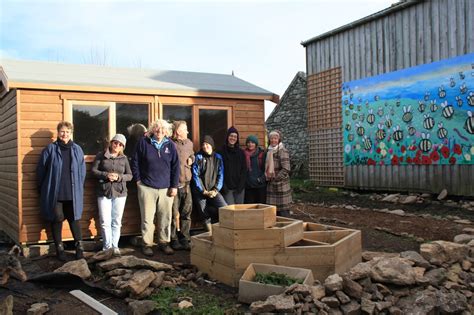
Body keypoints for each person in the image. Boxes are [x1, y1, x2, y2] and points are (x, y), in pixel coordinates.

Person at [36, 121, 86, 261]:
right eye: (62, 131)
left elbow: (82, 172)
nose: (65, 134)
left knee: (74, 218)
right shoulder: (50, 149)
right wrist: (42, 188)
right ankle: (59, 249)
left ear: (71, 133)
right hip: (55, 192)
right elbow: (41, 170)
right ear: (58, 132)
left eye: (68, 132)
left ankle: (79, 247)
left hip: (72, 192)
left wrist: (79, 188)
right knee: (57, 218)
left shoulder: (77, 149)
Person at [131, 119, 180, 256]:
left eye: (163, 129)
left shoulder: (170, 145)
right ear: (153, 129)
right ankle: (147, 244)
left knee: (165, 217)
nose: (160, 131)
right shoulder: (143, 142)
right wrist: (138, 180)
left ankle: (164, 243)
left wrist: (174, 186)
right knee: (147, 218)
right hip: (146, 187)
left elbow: (176, 167)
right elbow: (135, 161)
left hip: (166, 188)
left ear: (166, 131)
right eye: (157, 128)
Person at [91, 134, 133, 256]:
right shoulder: (101, 155)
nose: (117, 146)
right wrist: (106, 175)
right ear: (111, 143)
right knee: (105, 221)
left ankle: (115, 247)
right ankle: (107, 247)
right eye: (115, 143)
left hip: (120, 192)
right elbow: (94, 171)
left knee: (116, 221)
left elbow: (129, 175)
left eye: (120, 144)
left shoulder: (124, 158)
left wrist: (119, 177)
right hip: (104, 191)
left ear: (123, 147)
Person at [192, 135, 227, 233]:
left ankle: (223, 231)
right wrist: (203, 191)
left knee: (224, 208)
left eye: (207, 144)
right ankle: (210, 234)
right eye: (203, 144)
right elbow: (196, 176)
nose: (205, 146)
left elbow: (221, 174)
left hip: (214, 190)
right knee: (204, 213)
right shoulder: (198, 157)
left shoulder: (218, 158)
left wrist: (216, 190)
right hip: (201, 192)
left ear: (212, 145)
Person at [169, 121, 195, 251]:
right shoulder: (170, 144)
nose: (187, 131)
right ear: (178, 131)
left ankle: (185, 238)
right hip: (174, 184)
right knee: (174, 214)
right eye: (185, 129)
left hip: (187, 183)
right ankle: (173, 239)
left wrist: (192, 159)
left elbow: (192, 155)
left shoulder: (189, 143)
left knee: (186, 213)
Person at [265, 130, 292, 217]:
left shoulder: (282, 151)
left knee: (283, 212)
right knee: (273, 212)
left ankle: (287, 229)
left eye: (275, 138)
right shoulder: (269, 151)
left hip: (281, 185)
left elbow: (286, 169)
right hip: (271, 185)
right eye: (272, 138)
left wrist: (276, 178)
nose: (273, 140)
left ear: (279, 139)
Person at [219, 127, 246, 205]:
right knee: (230, 211)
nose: (233, 138)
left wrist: (240, 187)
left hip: (239, 188)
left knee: (240, 212)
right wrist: (224, 187)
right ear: (227, 137)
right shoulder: (221, 152)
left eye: (235, 136)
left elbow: (244, 170)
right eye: (231, 136)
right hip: (227, 188)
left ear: (237, 139)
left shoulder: (241, 153)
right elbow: (218, 170)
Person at [243, 135, 267, 204]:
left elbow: (267, 169)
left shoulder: (262, 154)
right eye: (248, 142)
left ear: (256, 144)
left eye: (252, 143)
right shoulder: (243, 154)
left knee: (261, 207)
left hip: (260, 186)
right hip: (248, 187)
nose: (250, 144)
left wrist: (261, 179)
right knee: (249, 208)